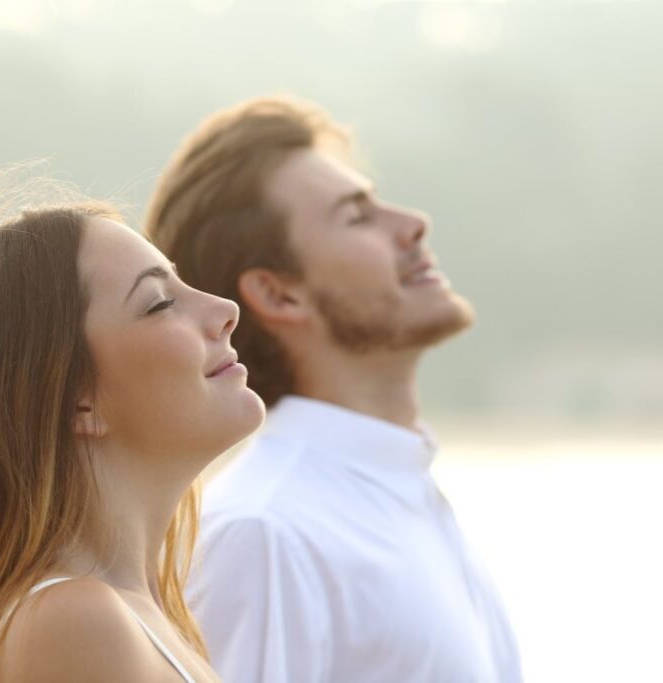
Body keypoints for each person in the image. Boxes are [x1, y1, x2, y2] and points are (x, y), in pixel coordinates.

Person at [145, 96, 523, 683]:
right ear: (278, 295)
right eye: (357, 216)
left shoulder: (398, 494)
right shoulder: (266, 534)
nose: (413, 223)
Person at [0, 200, 264, 682]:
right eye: (160, 302)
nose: (225, 309)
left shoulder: (143, 618)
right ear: (76, 402)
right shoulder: (74, 623)